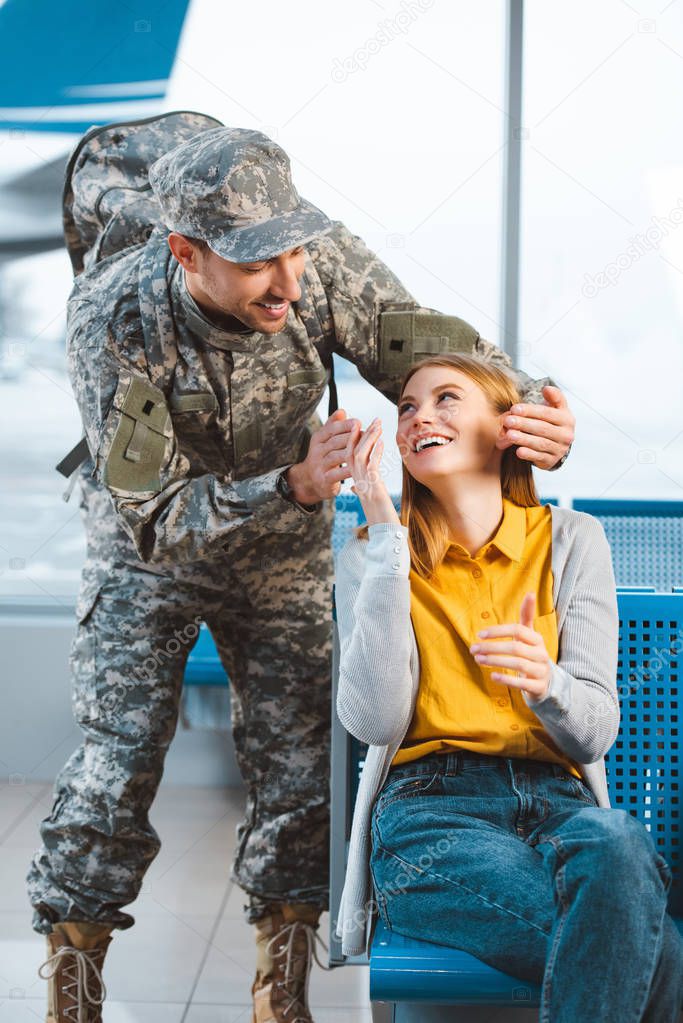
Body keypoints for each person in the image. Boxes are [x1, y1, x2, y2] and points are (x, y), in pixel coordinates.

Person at [28, 115, 576, 1023]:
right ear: (185, 252)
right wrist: (288, 483)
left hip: (285, 545)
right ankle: (73, 990)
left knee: (297, 766)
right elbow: (155, 518)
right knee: (114, 765)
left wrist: (525, 411)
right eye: (254, 261)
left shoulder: (313, 265)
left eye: (291, 249)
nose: (289, 280)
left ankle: (280, 991)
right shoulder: (112, 317)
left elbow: (441, 356)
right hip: (151, 557)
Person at [333, 353, 683, 1021]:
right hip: (429, 816)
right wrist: (382, 530)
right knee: (656, 952)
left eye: (444, 399)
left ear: (505, 427)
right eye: (406, 406)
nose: (417, 417)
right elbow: (373, 722)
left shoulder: (573, 541)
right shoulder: (372, 553)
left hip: (561, 805)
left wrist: (545, 681)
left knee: (619, 842)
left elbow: (593, 732)